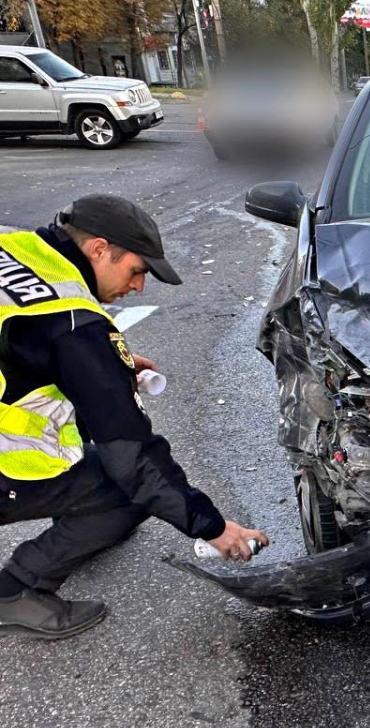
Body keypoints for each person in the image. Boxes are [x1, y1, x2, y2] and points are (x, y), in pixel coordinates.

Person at [0, 195, 269, 640]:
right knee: (126, 491)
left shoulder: (14, 246)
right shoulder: (74, 324)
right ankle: (16, 590)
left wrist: (99, 367)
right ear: (99, 249)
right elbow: (134, 459)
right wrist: (213, 527)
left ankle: (74, 523)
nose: (139, 287)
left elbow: (23, 344)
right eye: (137, 270)